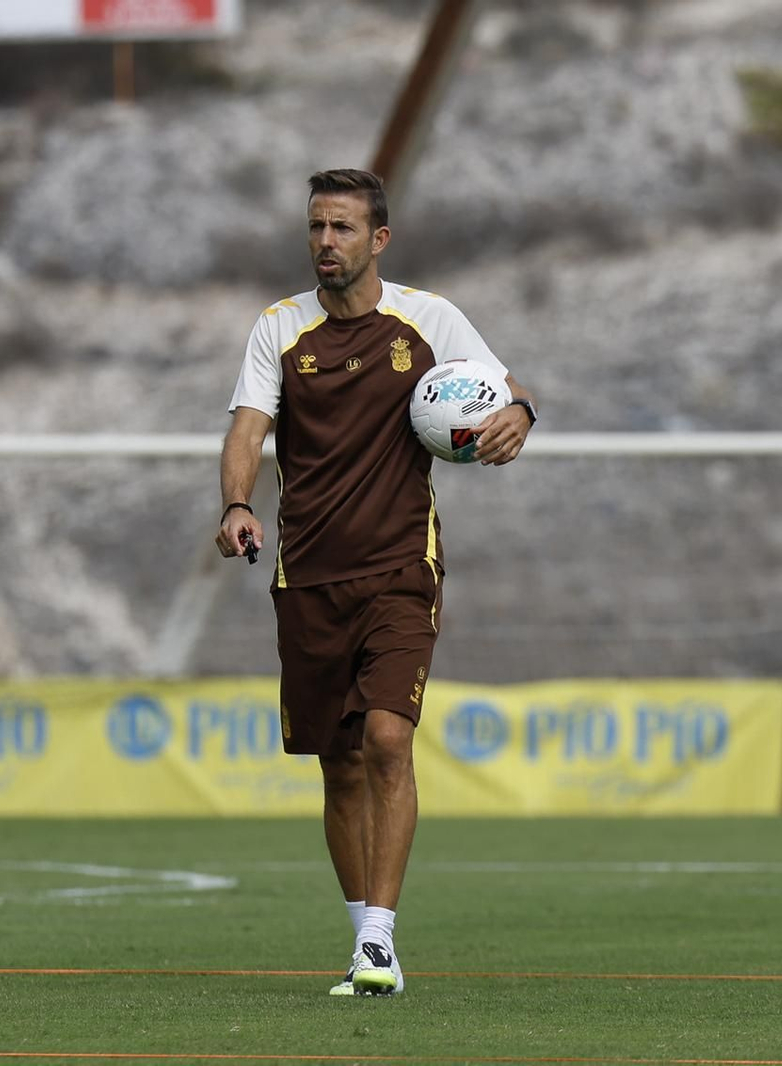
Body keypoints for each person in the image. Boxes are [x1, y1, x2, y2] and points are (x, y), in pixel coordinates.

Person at [215, 168, 537, 997]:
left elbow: (507, 388)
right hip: (308, 571)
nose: (326, 243)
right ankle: (364, 940)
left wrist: (520, 416)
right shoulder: (277, 328)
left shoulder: (430, 319)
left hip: (401, 567)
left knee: (388, 741)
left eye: (343, 229)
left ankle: (383, 943)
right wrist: (237, 504)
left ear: (378, 239)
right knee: (340, 763)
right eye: (317, 228)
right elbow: (249, 426)